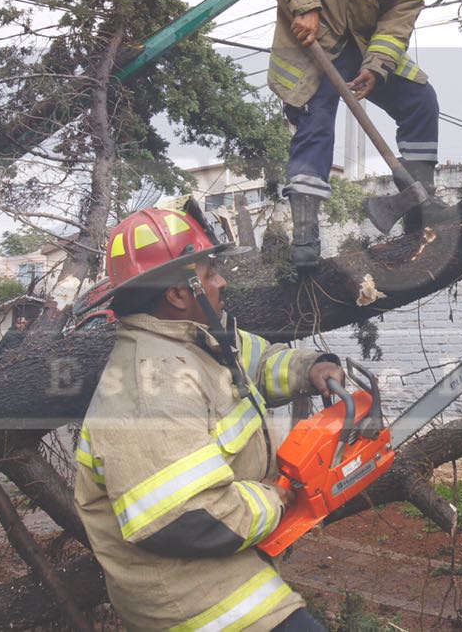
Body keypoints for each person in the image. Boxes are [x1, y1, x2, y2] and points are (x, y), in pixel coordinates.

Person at [74, 206, 344, 631]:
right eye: (210, 272)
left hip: (220, 565)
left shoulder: (198, 340)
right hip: (188, 595)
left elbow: (257, 362)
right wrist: (275, 499)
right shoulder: (150, 385)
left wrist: (309, 369)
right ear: (179, 293)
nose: (222, 282)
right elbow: (188, 516)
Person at [262, 0, 448, 267]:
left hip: (365, 45)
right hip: (315, 46)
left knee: (421, 101)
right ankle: (306, 241)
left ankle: (419, 213)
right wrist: (304, 5)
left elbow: (402, 12)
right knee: (317, 123)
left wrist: (378, 67)